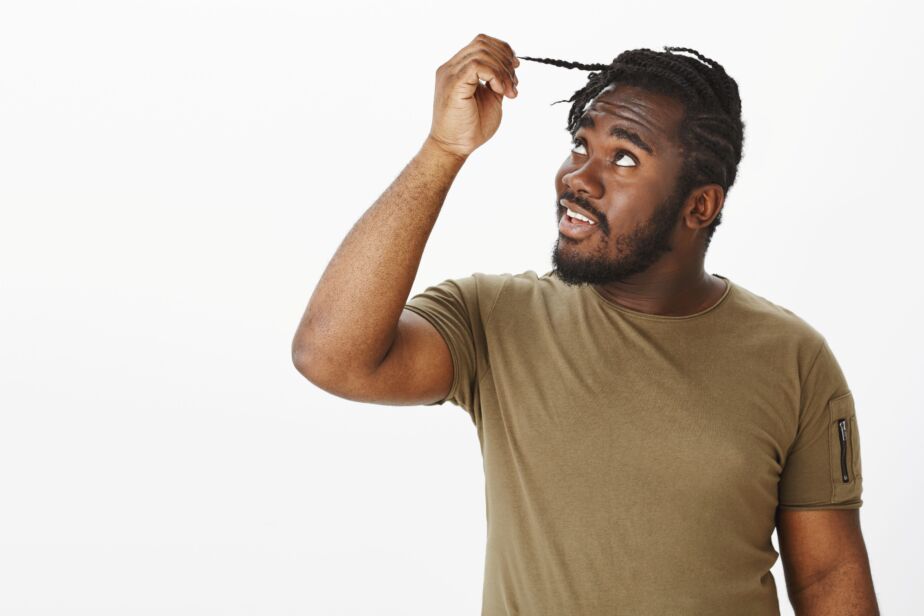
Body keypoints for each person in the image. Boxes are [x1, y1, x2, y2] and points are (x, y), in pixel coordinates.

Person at [291, 34, 879, 615]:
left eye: (623, 157)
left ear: (700, 206)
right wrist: (443, 149)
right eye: (580, 145)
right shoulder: (496, 320)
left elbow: (828, 578)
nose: (578, 178)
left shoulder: (793, 358)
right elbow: (330, 355)